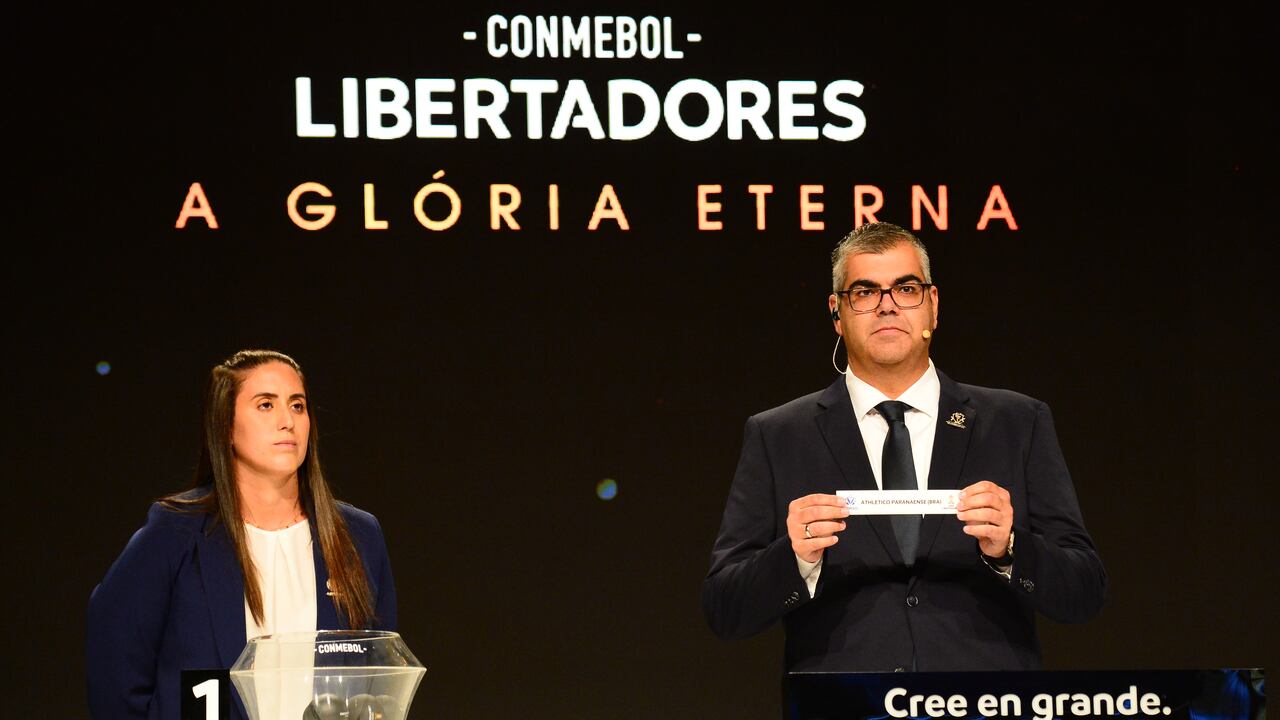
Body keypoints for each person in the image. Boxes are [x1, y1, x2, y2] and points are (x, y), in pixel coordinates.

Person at [702, 223, 1105, 672]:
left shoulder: (1016, 422)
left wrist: (1010, 548)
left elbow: (1084, 593)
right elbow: (725, 609)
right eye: (865, 292)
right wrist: (794, 557)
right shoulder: (778, 434)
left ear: (933, 306)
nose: (887, 306)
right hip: (845, 706)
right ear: (837, 313)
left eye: (906, 288)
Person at [86, 350, 398, 719]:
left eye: (297, 406)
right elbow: (115, 663)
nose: (288, 421)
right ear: (225, 426)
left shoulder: (358, 536)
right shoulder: (176, 531)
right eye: (265, 405)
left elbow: (380, 676)